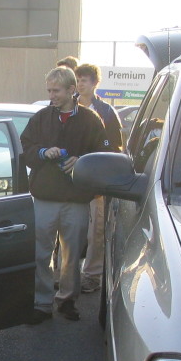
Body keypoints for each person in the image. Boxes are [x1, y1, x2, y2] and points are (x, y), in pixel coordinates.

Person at [21, 66, 111, 323]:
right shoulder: (40, 118)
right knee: (41, 254)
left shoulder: (91, 120)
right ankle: (41, 304)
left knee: (72, 256)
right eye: (49, 90)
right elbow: (25, 145)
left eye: (56, 90)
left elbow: (105, 154)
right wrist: (41, 153)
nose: (52, 95)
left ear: (72, 90)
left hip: (77, 199)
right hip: (44, 198)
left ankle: (68, 301)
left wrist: (81, 161)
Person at [75, 63, 123, 294]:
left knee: (96, 233)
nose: (80, 84)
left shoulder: (106, 112)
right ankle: (65, 274)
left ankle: (92, 276)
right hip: (70, 182)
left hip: (96, 183)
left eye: (85, 80)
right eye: (78, 79)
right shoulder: (66, 108)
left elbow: (115, 148)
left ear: (95, 83)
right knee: (69, 231)